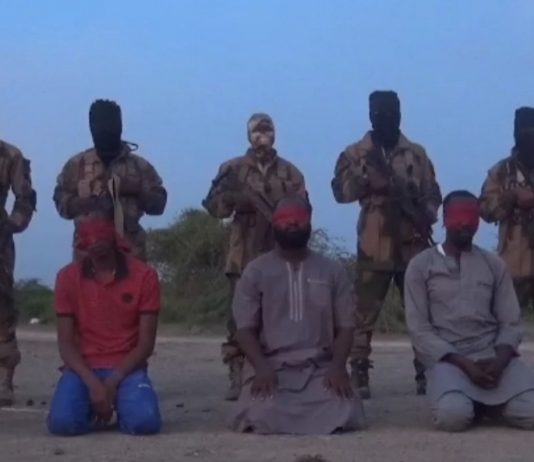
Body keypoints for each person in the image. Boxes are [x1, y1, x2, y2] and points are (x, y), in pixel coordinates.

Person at [331, 90, 442, 398]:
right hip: (374, 243)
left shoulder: (416, 154)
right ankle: (359, 372)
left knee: (420, 312)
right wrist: (367, 182)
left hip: (413, 245)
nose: (387, 119)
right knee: (362, 314)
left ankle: (426, 372)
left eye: (392, 113)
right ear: (370, 116)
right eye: (380, 114)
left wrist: (424, 214)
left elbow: (433, 193)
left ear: (400, 114)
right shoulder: (356, 154)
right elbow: (339, 192)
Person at [230, 196, 365, 434]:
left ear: (309, 223)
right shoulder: (255, 271)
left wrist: (337, 367)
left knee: (346, 408)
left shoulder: (332, 271)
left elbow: (346, 327)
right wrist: (261, 367)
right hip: (271, 368)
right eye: (285, 218)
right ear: (274, 224)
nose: (292, 222)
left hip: (320, 368)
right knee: (261, 411)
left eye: (299, 217)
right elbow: (244, 329)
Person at [405, 190, 534, 432]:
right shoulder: (421, 266)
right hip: (449, 360)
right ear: (445, 220)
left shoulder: (493, 264)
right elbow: (418, 329)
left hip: (493, 357)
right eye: (457, 216)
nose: (464, 223)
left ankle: (488, 404)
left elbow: (510, 322)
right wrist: (463, 363)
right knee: (452, 417)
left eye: (470, 217)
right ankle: (476, 403)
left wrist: (500, 360)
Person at [202, 113, 307, 400]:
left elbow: (303, 210)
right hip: (243, 256)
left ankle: (282, 370)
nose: (262, 137)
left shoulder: (290, 172)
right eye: (257, 132)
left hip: (280, 254)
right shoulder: (232, 169)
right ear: (248, 135)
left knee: (282, 316)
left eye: (267, 131)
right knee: (240, 319)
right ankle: (237, 374)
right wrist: (236, 200)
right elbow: (213, 207)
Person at [47, 209, 162, 436]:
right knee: (62, 424)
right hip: (82, 368)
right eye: (89, 241)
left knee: (145, 423)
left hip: (127, 367)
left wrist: (111, 383)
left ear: (115, 241)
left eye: (101, 240)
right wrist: (93, 383)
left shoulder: (144, 276)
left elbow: (145, 344)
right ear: (81, 245)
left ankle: (119, 405)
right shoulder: (67, 277)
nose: (96, 246)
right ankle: (93, 408)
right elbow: (66, 344)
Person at [53, 99, 167, 261]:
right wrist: (91, 203)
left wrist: (135, 190)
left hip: (131, 256)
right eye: (100, 124)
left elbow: (159, 206)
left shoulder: (139, 166)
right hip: (88, 258)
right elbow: (61, 206)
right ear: (91, 127)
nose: (105, 129)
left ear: (120, 125)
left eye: (110, 124)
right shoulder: (75, 166)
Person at [480, 107, 534, 311]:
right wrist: (510, 198)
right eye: (524, 133)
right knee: (508, 322)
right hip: (513, 266)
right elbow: (484, 210)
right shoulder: (501, 171)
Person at [0, 139, 36, 406]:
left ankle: (4, 382)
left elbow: (25, 197)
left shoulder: (9, 155)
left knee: (2, 308)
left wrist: (11, 226)